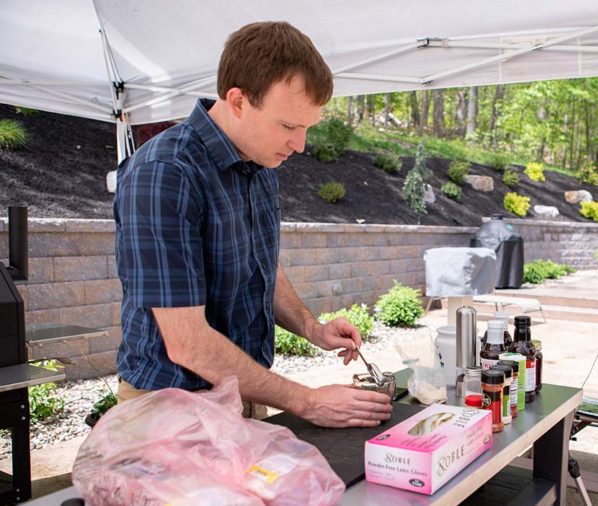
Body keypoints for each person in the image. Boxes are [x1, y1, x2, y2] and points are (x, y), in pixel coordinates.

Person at [113, 21, 392, 427]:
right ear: (238, 101)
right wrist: (308, 401)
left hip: (242, 395)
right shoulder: (164, 174)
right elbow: (188, 345)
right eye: (288, 126)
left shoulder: (260, 161)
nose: (300, 145)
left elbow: (261, 264)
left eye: (307, 128)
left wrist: (312, 328)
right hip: (170, 409)